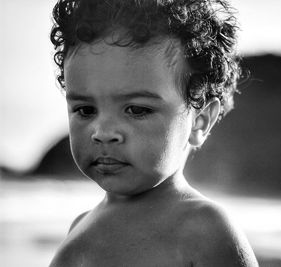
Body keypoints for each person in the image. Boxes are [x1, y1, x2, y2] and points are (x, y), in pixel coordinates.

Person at [49, 0, 258, 266]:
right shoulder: (79, 225)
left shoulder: (204, 229)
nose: (103, 132)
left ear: (200, 121)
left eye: (136, 110)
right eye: (85, 109)